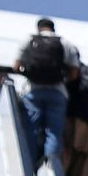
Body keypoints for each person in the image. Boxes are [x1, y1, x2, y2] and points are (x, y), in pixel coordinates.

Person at [14, 23, 71, 168]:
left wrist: (29, 73)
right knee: (54, 132)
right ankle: (50, 165)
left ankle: (29, 164)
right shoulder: (64, 43)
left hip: (32, 91)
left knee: (31, 130)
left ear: (39, 28)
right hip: (57, 92)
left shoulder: (29, 40)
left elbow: (16, 65)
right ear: (53, 28)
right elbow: (75, 71)